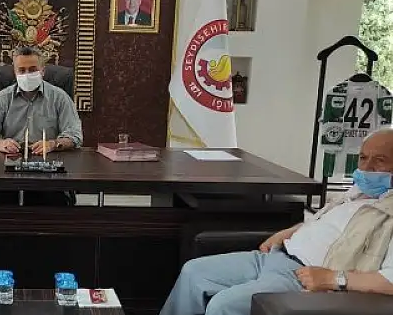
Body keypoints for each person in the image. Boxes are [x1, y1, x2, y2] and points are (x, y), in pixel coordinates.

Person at [159, 128, 393, 315]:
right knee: (193, 272)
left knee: (223, 305)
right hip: (277, 255)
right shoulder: (356, 193)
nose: (367, 167)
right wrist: (290, 232)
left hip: (304, 278)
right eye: (363, 158)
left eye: (380, 160)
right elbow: (333, 228)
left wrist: (334, 279)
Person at [0, 46, 83, 206]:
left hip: (48, 168)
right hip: (11, 166)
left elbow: (75, 135)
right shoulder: (2, 98)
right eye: (22, 70)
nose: (27, 75)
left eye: (32, 70)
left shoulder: (60, 97)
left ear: (42, 71)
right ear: (15, 72)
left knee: (54, 205)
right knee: (0, 204)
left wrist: (53, 144)